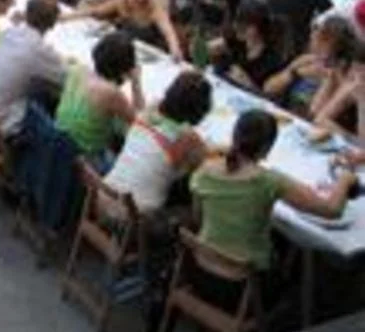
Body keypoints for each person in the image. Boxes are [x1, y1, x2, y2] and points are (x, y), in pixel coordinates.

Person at [191, 110, 355, 276]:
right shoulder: (269, 181)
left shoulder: (204, 171)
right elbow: (331, 209)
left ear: (234, 136)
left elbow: (197, 216)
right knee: (283, 247)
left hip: (203, 255)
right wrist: (345, 180)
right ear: (267, 148)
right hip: (245, 266)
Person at [103, 71, 211, 214]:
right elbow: (207, 161)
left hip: (104, 195)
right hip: (137, 214)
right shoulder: (189, 139)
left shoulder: (148, 112)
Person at [0, 0, 67, 144]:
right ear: (52, 25)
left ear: (26, 14)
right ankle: (28, 150)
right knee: (46, 101)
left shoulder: (9, 32)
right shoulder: (39, 49)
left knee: (35, 85)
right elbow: (65, 78)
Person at [55, 31, 143, 165]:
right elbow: (140, 122)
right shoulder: (110, 93)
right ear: (126, 66)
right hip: (85, 156)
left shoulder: (78, 69)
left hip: (59, 140)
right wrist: (136, 81)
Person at [67, 0, 184, 60]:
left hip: (145, 56)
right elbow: (96, 11)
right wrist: (69, 16)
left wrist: (175, 48)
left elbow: (168, 31)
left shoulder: (155, 8)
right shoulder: (121, 1)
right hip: (122, 51)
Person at [264, 15, 357, 116]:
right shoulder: (306, 60)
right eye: (314, 36)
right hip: (284, 112)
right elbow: (268, 88)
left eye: (322, 40)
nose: (312, 39)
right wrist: (296, 73)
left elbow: (313, 113)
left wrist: (327, 81)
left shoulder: (339, 75)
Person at [211, 0, 284, 92]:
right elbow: (203, 50)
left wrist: (248, 84)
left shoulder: (272, 61)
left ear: (259, 28)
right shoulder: (234, 42)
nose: (237, 27)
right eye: (238, 22)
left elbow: (268, 96)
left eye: (246, 25)